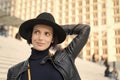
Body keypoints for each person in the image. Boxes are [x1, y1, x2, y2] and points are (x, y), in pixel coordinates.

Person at [7, 12, 90, 80]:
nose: (40, 38)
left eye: (47, 34)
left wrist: (56, 30)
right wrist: (51, 30)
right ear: (31, 35)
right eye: (36, 32)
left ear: (52, 38)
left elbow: (85, 29)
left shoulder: (65, 59)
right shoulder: (14, 72)